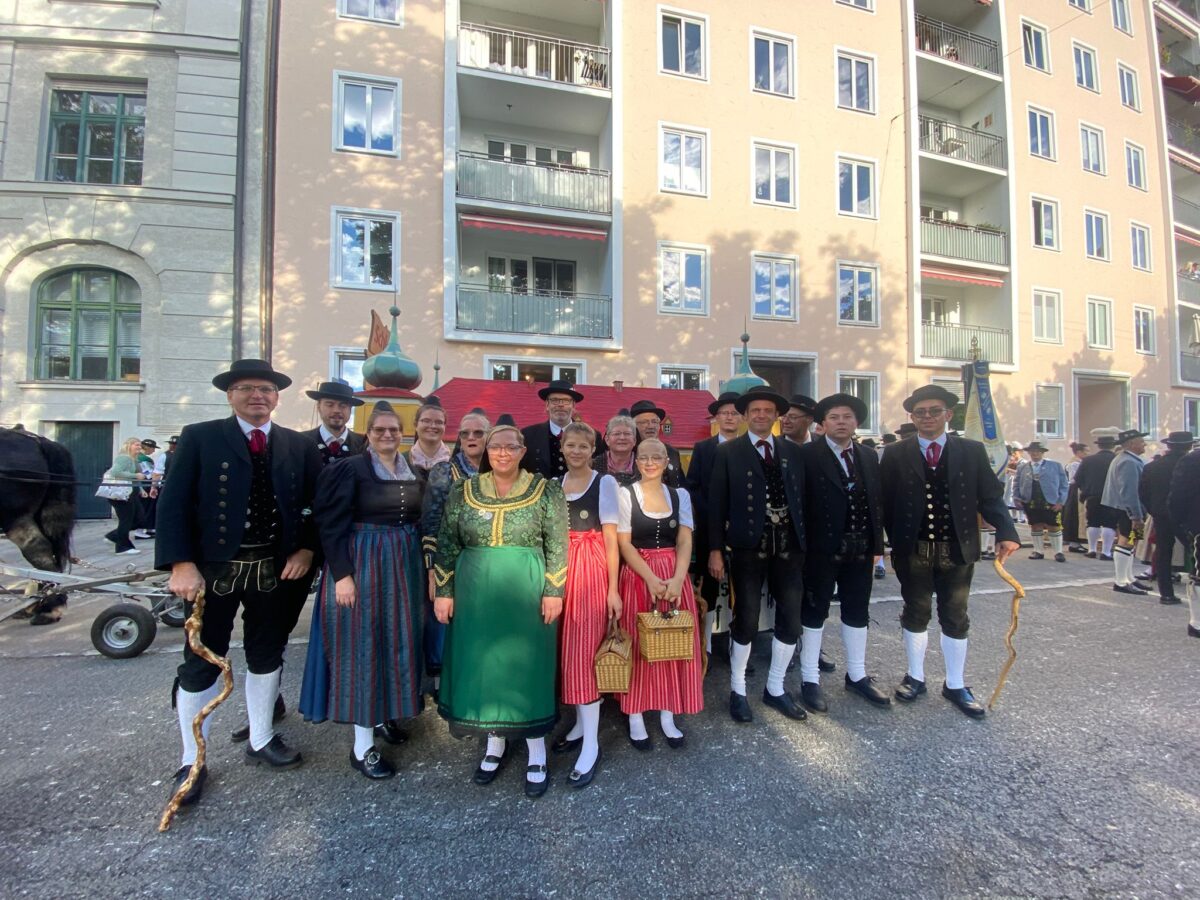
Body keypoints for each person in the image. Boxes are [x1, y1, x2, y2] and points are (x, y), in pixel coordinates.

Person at [156, 359, 322, 807]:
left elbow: (314, 505)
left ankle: (262, 738)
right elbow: (173, 505)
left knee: (267, 653)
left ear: (276, 397)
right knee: (201, 659)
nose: (258, 396)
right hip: (212, 569)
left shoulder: (296, 445)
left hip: (275, 569)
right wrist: (180, 563)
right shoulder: (200, 437)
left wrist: (307, 550)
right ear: (230, 395)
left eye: (266, 389)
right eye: (248, 388)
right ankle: (192, 759)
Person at [433, 424, 568, 798]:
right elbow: (447, 541)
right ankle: (494, 743)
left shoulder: (546, 490)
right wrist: (444, 590)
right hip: (475, 591)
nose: (503, 453)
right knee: (485, 666)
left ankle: (536, 748)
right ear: (488, 451)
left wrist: (554, 589)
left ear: (523, 450)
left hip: (527, 589)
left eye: (511, 446)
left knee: (528, 666)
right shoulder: (464, 490)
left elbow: (558, 542)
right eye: (496, 447)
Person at [303, 401, 426, 780]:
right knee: (363, 648)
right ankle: (362, 747)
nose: (388, 435)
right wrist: (342, 574)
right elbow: (330, 523)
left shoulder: (412, 470)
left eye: (394, 430)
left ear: (403, 433)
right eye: (380, 430)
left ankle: (384, 715)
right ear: (368, 434)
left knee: (396, 643)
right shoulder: (350, 469)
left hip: (402, 564)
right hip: (365, 562)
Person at [880, 384, 1018, 719]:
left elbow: (989, 494)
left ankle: (955, 683)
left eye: (934, 411)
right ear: (912, 417)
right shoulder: (897, 453)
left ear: (948, 415)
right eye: (920, 412)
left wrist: (1007, 531)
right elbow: (882, 500)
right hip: (912, 548)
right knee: (915, 611)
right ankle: (915, 676)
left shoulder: (970, 450)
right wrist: (878, 543)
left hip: (958, 547)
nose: (927, 417)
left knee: (955, 614)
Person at [708, 385, 808, 724]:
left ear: (777, 416)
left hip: (789, 547)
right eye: (755, 411)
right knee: (747, 617)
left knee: (791, 618)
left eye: (767, 410)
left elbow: (802, 502)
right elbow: (715, 506)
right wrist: (715, 550)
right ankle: (738, 689)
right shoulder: (729, 452)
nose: (761, 415)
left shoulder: (793, 452)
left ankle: (776, 688)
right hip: (748, 546)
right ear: (745, 415)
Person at [797, 393, 890, 712]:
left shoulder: (868, 455)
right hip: (821, 550)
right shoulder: (807, 455)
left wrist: (878, 546)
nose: (841, 422)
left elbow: (877, 502)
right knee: (814, 611)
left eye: (847, 417)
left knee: (857, 610)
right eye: (834, 417)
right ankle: (809, 678)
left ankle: (857, 674)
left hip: (860, 547)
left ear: (856, 422)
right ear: (822, 423)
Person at [617, 437, 704, 747]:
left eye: (657, 456)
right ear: (635, 461)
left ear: (667, 460)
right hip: (640, 574)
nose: (650, 462)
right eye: (644, 457)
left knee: (674, 642)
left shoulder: (679, 495)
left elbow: (684, 540)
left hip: (673, 573)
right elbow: (624, 542)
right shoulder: (626, 494)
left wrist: (680, 579)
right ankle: (636, 712)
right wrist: (651, 579)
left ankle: (668, 711)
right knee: (640, 643)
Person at [552, 422, 621, 788]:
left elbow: (611, 539)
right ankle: (579, 724)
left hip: (591, 567)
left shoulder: (604, 483)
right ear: (562, 447)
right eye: (571, 445)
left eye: (583, 445)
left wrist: (613, 588)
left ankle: (591, 744)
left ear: (592, 448)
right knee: (568, 651)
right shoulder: (554, 485)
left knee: (584, 653)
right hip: (562, 571)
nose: (576, 451)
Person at [420, 411, 490, 693]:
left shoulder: (498, 470)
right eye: (465, 433)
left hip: (488, 561)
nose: (471, 438)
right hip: (454, 560)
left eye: (478, 433)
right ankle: (444, 685)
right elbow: (431, 522)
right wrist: (432, 570)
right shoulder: (444, 471)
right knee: (449, 620)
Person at [683, 391, 742, 649]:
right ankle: (704, 646)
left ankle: (737, 645)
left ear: (742, 417)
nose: (729, 417)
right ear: (716, 417)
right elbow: (692, 487)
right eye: (724, 413)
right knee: (708, 589)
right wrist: (712, 514)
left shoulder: (748, 448)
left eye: (734, 413)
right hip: (710, 530)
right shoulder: (703, 448)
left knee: (740, 591)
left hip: (741, 532)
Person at [1141, 432, 1196, 604]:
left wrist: (1154, 510)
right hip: (1187, 515)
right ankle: (1195, 590)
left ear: (1169, 445)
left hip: (1161, 514)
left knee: (1164, 552)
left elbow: (1143, 493)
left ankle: (1166, 593)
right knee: (1194, 551)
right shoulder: (1193, 464)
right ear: (1189, 446)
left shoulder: (1152, 467)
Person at [1102, 428, 1151, 595]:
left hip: (1123, 508)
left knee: (1130, 542)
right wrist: (1135, 516)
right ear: (1131, 444)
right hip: (1126, 509)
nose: (1144, 443)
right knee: (1126, 542)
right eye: (1141, 441)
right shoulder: (1128, 462)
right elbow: (1129, 492)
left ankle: (1128, 577)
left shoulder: (1126, 459)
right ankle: (1121, 581)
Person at [1013, 442, 1069, 562]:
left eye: (1038, 451)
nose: (1035, 453)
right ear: (1029, 453)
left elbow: (1064, 485)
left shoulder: (1055, 465)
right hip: (1030, 500)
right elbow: (1017, 483)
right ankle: (1038, 551)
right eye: (1032, 451)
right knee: (1035, 525)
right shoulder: (1022, 467)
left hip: (1051, 501)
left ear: (1043, 453)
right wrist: (1016, 497)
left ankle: (1058, 552)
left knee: (1054, 526)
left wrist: (1061, 501)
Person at [1167, 440, 1200, 638]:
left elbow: (1177, 497)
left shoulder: (1193, 459)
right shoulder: (1193, 460)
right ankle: (1197, 622)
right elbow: (1178, 497)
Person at [521, 379, 584, 479]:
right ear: (547, 405)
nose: (560, 405)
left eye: (566, 400)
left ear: (573, 406)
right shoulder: (527, 436)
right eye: (554, 400)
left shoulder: (591, 436)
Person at [1074, 428, 1121, 559]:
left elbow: (1078, 479)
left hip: (1092, 495)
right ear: (1113, 446)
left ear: (1099, 445)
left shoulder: (1088, 460)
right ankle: (1106, 552)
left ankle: (1092, 549)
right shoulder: (1117, 459)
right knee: (1109, 524)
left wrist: (1086, 490)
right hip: (1112, 497)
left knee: (1092, 522)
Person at [300, 380, 366, 465]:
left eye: (343, 405)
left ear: (350, 409)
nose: (336, 410)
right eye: (330, 404)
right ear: (318, 407)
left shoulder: (363, 444)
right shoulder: (301, 441)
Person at [102, 437, 148, 555]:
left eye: (139, 445)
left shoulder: (134, 460)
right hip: (122, 493)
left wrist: (141, 489)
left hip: (132, 492)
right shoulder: (124, 458)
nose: (139, 447)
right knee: (126, 520)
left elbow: (135, 478)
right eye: (136, 445)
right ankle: (122, 547)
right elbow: (115, 472)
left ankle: (114, 536)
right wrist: (135, 476)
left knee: (139, 519)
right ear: (128, 446)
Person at [629, 399, 684, 487]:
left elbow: (681, 485)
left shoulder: (672, 452)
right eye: (644, 422)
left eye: (654, 422)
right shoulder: (629, 452)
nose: (651, 426)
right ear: (633, 426)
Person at [592, 415, 638, 486]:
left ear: (634, 440)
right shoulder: (593, 465)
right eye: (617, 434)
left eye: (627, 434)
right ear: (607, 440)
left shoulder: (643, 465)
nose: (622, 438)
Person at [1063, 442, 1090, 552]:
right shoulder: (1075, 464)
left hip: (1077, 489)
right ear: (1079, 452)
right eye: (1086, 451)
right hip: (1075, 490)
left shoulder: (1079, 462)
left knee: (1078, 517)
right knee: (1075, 517)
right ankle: (1074, 543)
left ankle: (1076, 542)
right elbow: (1073, 479)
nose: (1088, 454)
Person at [410, 399, 451, 471]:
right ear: (415, 425)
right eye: (426, 421)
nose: (433, 426)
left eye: (439, 422)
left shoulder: (456, 464)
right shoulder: (401, 462)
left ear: (445, 426)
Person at [132, 439, 159, 539]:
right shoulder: (145, 459)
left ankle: (148, 528)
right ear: (148, 447)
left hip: (139, 485)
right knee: (146, 508)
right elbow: (149, 474)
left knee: (144, 507)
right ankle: (140, 530)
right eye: (153, 448)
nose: (154, 451)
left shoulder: (135, 457)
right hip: (146, 485)